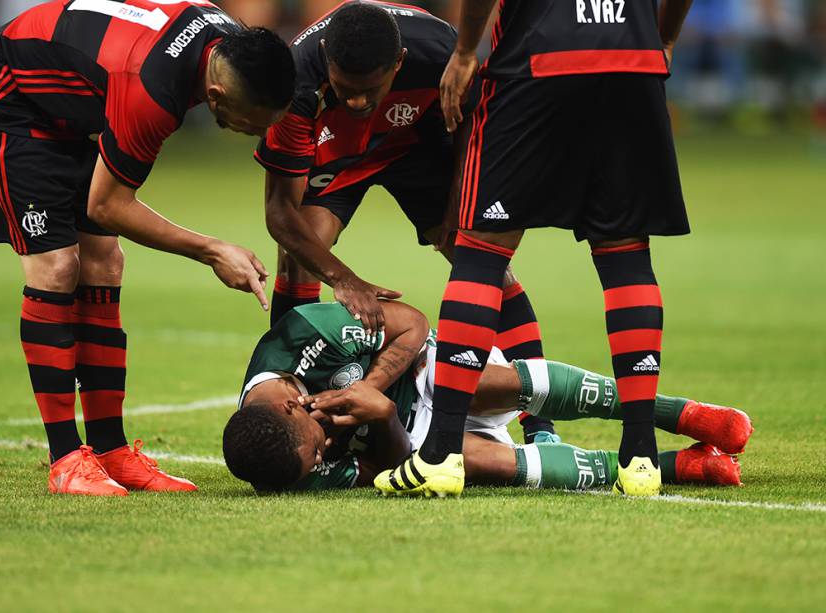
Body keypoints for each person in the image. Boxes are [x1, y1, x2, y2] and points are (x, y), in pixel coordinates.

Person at [0, 0, 295, 496]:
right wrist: (212, 249)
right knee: (56, 266)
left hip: (68, 106)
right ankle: (66, 458)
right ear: (216, 97)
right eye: (251, 122)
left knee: (105, 261)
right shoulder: (152, 91)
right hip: (8, 95)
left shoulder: (223, 41)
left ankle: (111, 451)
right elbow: (109, 206)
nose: (256, 134)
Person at [379, 0, 697, 498]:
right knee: (626, 256)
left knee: (480, 254)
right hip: (632, 63)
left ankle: (440, 454)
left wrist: (465, 52)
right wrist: (663, 39)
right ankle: (640, 458)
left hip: (538, 62)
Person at [256, 0, 557, 443]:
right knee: (298, 258)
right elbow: (281, 213)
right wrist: (343, 278)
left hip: (417, 143)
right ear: (326, 57)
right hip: (337, 152)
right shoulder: (295, 81)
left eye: (370, 89)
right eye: (345, 88)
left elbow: (476, 130)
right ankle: (294, 410)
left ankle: (541, 424)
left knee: (483, 262)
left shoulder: (440, 53)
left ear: (398, 63)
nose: (357, 100)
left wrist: (457, 212)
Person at [222, 301, 751, 492]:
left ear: (291, 405)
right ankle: (678, 467)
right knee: (481, 464)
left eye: (315, 446)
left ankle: (686, 414)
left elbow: (411, 325)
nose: (322, 455)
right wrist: (382, 418)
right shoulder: (288, 470)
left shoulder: (304, 336)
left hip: (434, 373)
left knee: (473, 383)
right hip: (414, 436)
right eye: (317, 458)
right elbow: (399, 468)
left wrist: (374, 388)